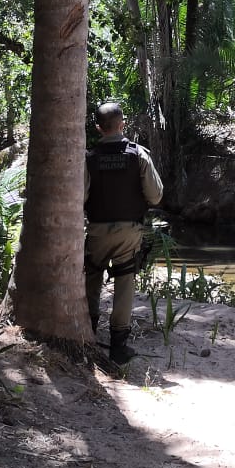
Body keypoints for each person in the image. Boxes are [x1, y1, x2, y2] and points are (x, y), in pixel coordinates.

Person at [84, 102, 163, 364]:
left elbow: (80, 196)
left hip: (96, 229)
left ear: (98, 127)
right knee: (125, 282)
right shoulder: (138, 154)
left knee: (92, 279)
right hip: (129, 230)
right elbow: (155, 196)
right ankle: (118, 345)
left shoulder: (90, 158)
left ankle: (88, 335)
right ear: (122, 124)